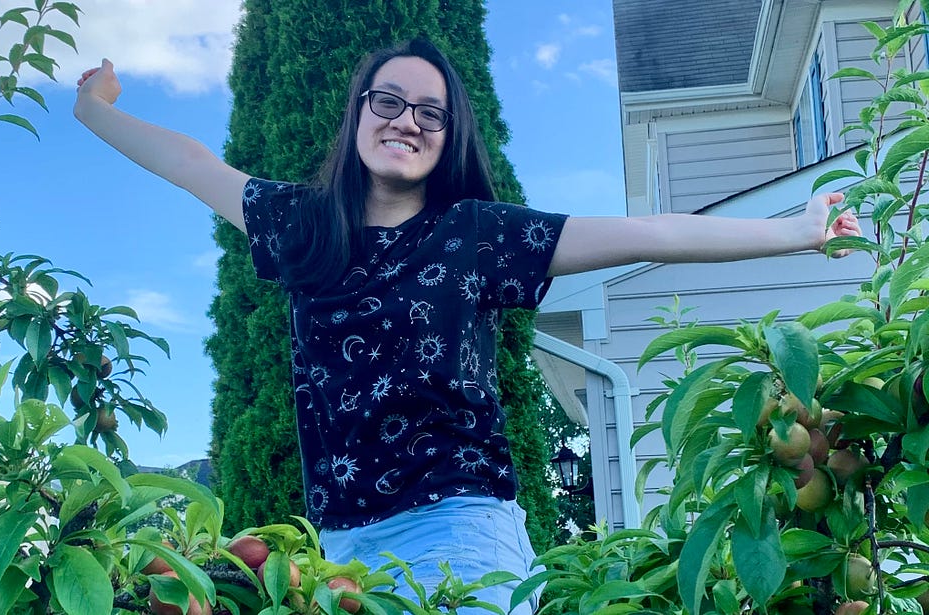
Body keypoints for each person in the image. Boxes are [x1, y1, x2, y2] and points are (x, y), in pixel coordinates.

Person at [74, 38, 861, 613]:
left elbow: (652, 232)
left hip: (461, 526)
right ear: (357, 114)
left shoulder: (475, 235)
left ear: (449, 138)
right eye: (389, 102)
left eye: (430, 113)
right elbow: (188, 162)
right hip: (338, 549)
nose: (407, 122)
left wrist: (796, 228)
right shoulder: (300, 225)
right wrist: (93, 110)